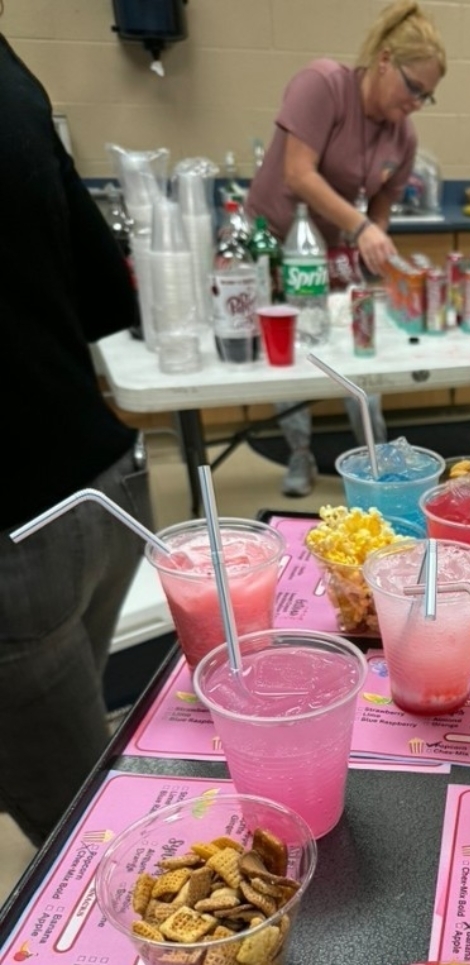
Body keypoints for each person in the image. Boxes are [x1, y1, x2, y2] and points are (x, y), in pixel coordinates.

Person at [0, 14, 154, 846]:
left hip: (21, 540)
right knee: (78, 782)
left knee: (89, 845)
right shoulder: (11, 71)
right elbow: (105, 289)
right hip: (103, 487)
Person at [246, 0, 446, 497]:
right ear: (383, 60)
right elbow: (298, 173)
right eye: (413, 87)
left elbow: (381, 205)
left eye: (428, 95)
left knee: (360, 353)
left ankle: (378, 462)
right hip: (274, 244)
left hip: (333, 246)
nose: (417, 101)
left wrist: (373, 243)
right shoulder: (323, 85)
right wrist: (361, 229)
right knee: (290, 356)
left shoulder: (404, 136)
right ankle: (298, 454)